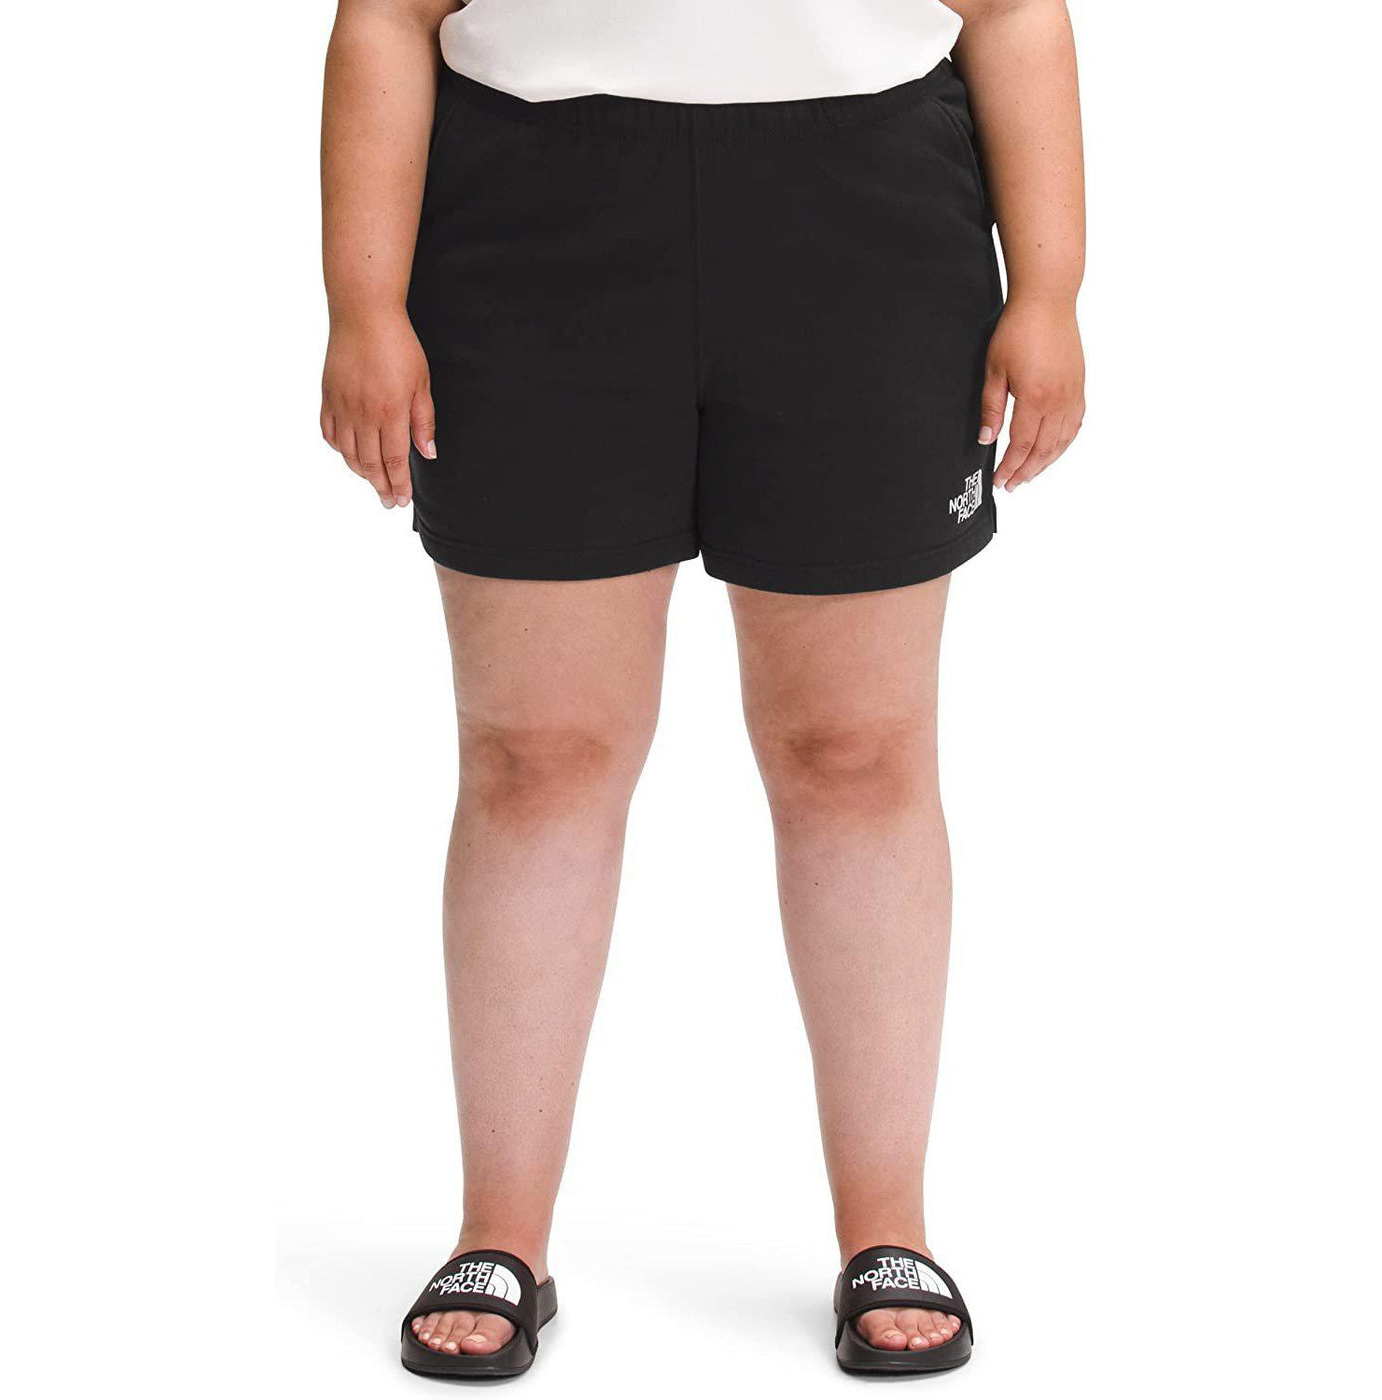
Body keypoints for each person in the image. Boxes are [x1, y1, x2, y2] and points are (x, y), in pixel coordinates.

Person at [320, 0, 1084, 1378]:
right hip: (532, 222)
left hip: (865, 222)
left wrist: (1052, 289)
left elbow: (1016, 11)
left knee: (855, 750)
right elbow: (387, 14)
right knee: (535, 757)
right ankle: (502, 1233)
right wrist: (361, 305)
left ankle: (888, 1229)